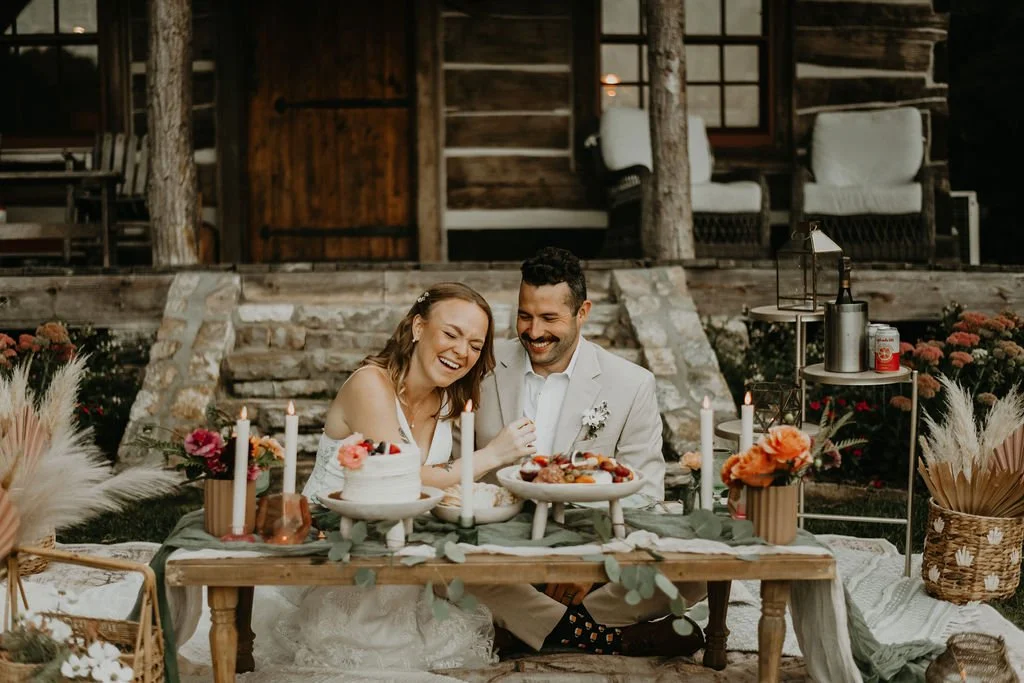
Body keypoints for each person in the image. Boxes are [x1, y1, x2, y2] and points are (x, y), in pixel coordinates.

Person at [261, 282, 538, 672]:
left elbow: (438, 490)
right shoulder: (369, 385)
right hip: (331, 563)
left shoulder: (448, 399)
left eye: (475, 346)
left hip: (401, 568)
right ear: (418, 327)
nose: (462, 352)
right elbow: (402, 480)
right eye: (451, 334)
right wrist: (491, 455)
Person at [470, 247, 707, 657]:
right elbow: (460, 470)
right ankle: (602, 636)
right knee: (452, 572)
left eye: (549, 318)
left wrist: (591, 569)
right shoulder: (482, 365)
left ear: (583, 313)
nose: (533, 331)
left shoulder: (631, 383)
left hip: (590, 541)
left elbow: (645, 492)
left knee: (695, 577)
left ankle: (528, 623)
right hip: (501, 543)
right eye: (525, 315)